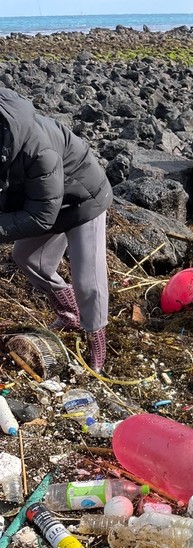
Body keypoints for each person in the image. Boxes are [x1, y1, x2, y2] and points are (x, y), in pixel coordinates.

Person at [0, 88, 112, 372]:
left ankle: (97, 341)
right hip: (45, 202)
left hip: (83, 200)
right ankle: (69, 313)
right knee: (28, 257)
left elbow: (41, 217)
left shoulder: (37, 149)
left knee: (88, 282)